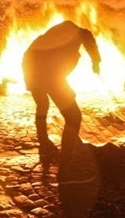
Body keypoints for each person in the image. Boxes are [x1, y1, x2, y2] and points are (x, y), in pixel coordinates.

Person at [22, 20, 101, 183]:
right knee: (74, 117)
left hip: (30, 69)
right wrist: (96, 62)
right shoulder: (78, 33)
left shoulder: (55, 35)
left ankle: (44, 145)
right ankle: (66, 172)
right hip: (48, 73)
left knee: (42, 105)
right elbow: (88, 39)